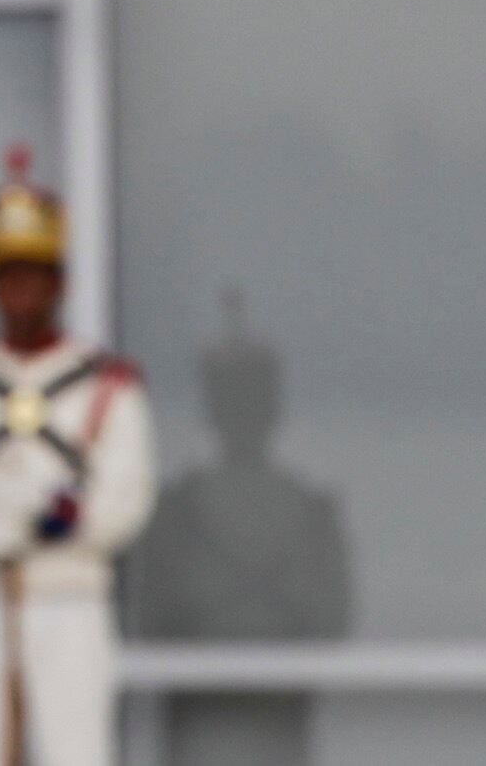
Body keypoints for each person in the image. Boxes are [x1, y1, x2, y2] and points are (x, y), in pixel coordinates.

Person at [0, 146, 154, 766]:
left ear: (60, 283)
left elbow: (128, 493)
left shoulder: (106, 386)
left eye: (35, 275)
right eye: (8, 277)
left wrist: (76, 521)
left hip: (69, 592)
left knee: (77, 749)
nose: (21, 291)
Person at [130, 289, 353, 766]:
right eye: (232, 394)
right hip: (199, 739)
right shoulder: (176, 513)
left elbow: (333, 626)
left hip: (278, 738)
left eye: (253, 393)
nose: (243, 409)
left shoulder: (313, 514)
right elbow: (149, 623)